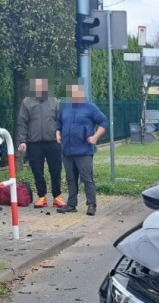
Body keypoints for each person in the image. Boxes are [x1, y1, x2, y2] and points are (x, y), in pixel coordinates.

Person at [55, 83, 107, 216]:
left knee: (87, 178)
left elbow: (104, 122)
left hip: (83, 150)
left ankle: (91, 204)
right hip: (67, 150)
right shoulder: (65, 107)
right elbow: (59, 122)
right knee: (70, 178)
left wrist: (95, 137)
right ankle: (71, 204)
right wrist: (58, 133)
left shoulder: (90, 107)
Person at [17, 77, 64, 209]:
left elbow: (60, 121)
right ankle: (41, 197)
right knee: (37, 171)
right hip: (34, 143)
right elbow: (22, 122)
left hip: (53, 143)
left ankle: (57, 196)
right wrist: (22, 141)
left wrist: (61, 135)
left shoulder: (54, 102)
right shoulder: (27, 102)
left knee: (55, 170)